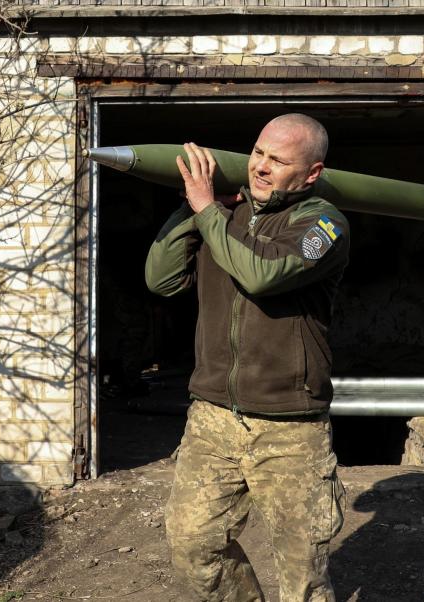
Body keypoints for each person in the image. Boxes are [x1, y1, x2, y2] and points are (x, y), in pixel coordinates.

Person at [145, 113, 350, 600]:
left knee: (303, 575)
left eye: (278, 160)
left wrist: (206, 212)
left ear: (311, 173)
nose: (261, 167)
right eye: (258, 152)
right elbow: (161, 279)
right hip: (214, 416)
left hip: (290, 428)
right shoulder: (225, 214)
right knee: (192, 544)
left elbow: (261, 274)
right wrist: (191, 212)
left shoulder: (323, 223)